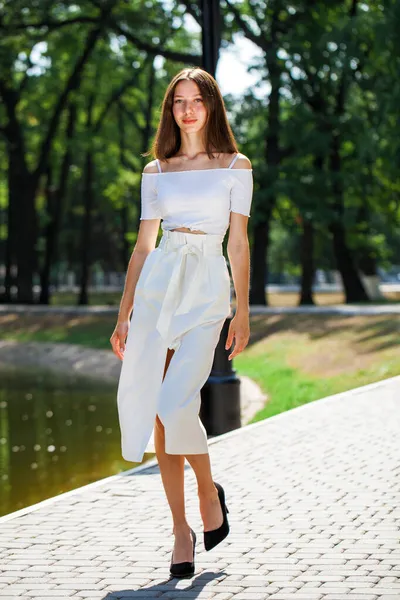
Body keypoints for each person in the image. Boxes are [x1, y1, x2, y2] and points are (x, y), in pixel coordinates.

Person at [110, 66, 253, 579]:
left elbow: (237, 242)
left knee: (175, 405)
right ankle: (179, 530)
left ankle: (207, 490)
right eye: (178, 101)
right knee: (158, 409)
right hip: (158, 287)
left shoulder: (235, 164)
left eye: (197, 100)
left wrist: (244, 308)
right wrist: (123, 312)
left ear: (212, 105)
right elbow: (143, 243)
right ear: (170, 110)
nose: (187, 109)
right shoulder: (157, 170)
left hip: (208, 286)